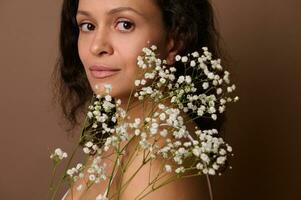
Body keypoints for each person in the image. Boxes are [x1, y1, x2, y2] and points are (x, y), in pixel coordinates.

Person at [53, 0, 227, 199]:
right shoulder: (121, 136)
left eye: (125, 25)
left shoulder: (157, 157)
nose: (96, 46)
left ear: (174, 40)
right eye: (88, 26)